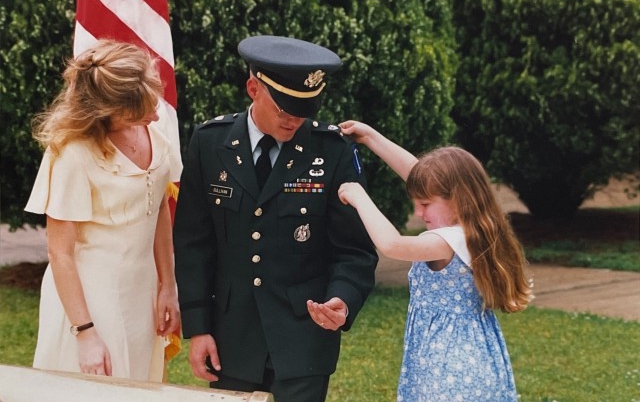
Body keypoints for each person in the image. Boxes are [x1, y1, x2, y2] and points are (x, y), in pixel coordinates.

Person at [173, 35, 378, 401]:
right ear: (253, 88)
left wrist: (342, 301)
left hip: (303, 339)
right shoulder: (210, 143)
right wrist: (199, 327)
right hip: (230, 336)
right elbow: (193, 244)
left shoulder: (331, 151)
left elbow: (355, 250)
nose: (295, 120)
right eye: (285, 109)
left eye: (304, 110)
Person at [337, 120, 533, 401]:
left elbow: (393, 245)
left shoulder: (449, 240)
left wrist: (359, 197)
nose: (418, 212)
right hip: (466, 360)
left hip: (449, 367)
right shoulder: (473, 229)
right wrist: (370, 137)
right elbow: (420, 175)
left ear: (458, 199)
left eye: (425, 204)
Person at [24, 39, 181, 381]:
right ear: (105, 112)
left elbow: (158, 212)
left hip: (142, 292)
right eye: (140, 112)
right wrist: (86, 334)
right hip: (89, 300)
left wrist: (168, 286)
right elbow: (60, 252)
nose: (154, 115)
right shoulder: (73, 154)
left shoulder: (157, 128)